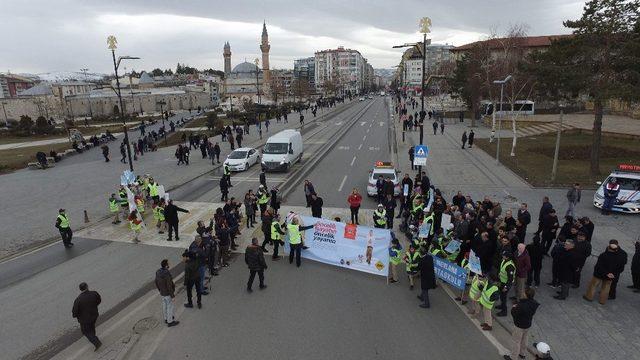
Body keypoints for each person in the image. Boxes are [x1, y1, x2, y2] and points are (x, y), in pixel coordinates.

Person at [583, 239, 625, 305]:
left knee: (593, 285)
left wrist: (606, 273)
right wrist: (613, 274)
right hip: (611, 276)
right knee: (606, 288)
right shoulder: (619, 257)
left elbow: (599, 266)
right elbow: (620, 267)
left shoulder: (603, 255)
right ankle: (602, 301)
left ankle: (589, 297)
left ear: (608, 247)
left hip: (599, 274)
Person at [503, 288, 539, 360]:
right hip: (528, 324)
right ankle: (523, 353)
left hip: (519, 325)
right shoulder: (534, 303)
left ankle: (513, 357)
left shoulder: (522, 305)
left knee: (516, 341)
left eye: (524, 293)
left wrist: (513, 308)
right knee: (525, 339)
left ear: (526, 295)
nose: (523, 294)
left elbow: (514, 314)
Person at [72, 282, 102, 351]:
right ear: (87, 287)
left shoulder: (78, 300)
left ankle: (97, 342)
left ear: (80, 289)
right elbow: (99, 300)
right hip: (94, 315)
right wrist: (94, 306)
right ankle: (93, 337)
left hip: (85, 319)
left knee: (85, 332)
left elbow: (74, 313)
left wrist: (77, 315)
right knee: (91, 327)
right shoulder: (94, 293)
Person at [155, 259, 179, 327]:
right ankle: (170, 321)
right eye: (168, 263)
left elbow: (156, 282)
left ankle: (166, 318)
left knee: (164, 306)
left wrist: (160, 290)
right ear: (166, 265)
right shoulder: (167, 274)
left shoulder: (158, 272)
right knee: (170, 307)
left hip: (162, 293)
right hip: (168, 293)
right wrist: (172, 296)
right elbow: (169, 285)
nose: (169, 264)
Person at [496, 250, 516, 316]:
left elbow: (510, 279)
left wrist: (506, 287)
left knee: (504, 297)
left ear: (507, 257)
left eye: (503, 255)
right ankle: (502, 305)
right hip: (502, 281)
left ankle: (504, 311)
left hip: (505, 284)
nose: (502, 256)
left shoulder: (510, 266)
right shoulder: (504, 261)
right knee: (501, 296)